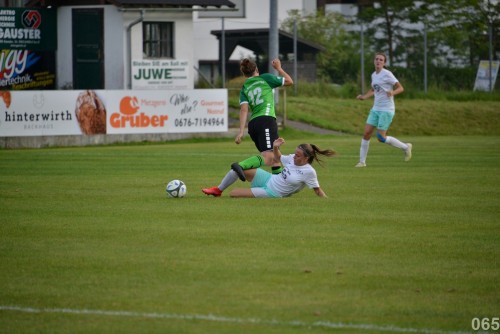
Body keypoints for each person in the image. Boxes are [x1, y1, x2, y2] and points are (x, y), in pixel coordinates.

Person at [202, 137, 336, 198]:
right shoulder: (291, 158)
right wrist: (276, 146)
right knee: (237, 170)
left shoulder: (309, 172)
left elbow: (318, 191)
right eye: (295, 153)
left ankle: (255, 191)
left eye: (298, 156)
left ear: (306, 158)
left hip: (273, 193)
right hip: (269, 178)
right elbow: (278, 158)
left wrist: (327, 201)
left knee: (233, 194)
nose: (294, 157)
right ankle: (218, 190)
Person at [230, 58, 294, 181]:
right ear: (257, 69)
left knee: (275, 157)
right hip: (266, 120)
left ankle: (277, 187)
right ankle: (241, 166)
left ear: (244, 74)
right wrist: (279, 68)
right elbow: (290, 81)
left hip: (253, 124)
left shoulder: (245, 87)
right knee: (269, 156)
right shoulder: (265, 78)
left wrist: (241, 132)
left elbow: (244, 110)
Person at [355, 52, 412, 167]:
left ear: (384, 62)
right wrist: (364, 97)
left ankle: (406, 147)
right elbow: (373, 89)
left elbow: (401, 88)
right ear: (374, 61)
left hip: (387, 109)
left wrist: (393, 92)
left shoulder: (387, 74)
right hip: (375, 108)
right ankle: (362, 162)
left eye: (381, 60)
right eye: (377, 59)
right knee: (366, 133)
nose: (378, 61)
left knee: (381, 138)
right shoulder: (374, 75)